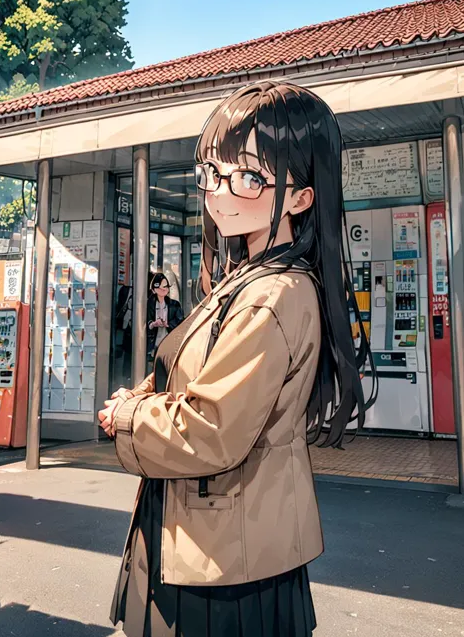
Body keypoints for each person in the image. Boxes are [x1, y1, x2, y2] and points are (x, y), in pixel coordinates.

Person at [99, 80, 377, 637]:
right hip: (218, 539)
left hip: (226, 558)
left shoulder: (273, 293)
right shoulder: (246, 280)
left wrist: (126, 416)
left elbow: (210, 429)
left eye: (249, 177)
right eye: (213, 174)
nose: (220, 193)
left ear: (302, 197)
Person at [147, 272, 184, 361]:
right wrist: (153, 324)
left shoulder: (175, 304)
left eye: (165, 286)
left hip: (169, 340)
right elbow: (145, 321)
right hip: (153, 342)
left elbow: (180, 320)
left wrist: (168, 324)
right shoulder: (149, 305)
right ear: (153, 290)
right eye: (159, 287)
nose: (162, 289)